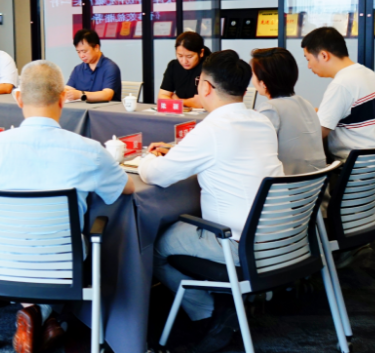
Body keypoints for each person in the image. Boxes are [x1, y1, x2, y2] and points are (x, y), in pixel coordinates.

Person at [0, 60, 134, 353]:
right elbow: (125, 188)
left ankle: (36, 313)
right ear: (63, 98)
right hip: (61, 265)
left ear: (18, 98)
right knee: (75, 239)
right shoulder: (88, 150)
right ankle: (44, 314)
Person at [140, 50, 284, 353]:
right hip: (281, 240)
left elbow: (156, 175)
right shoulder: (262, 122)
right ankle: (221, 303)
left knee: (151, 245)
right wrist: (178, 151)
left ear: (205, 87)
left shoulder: (212, 129)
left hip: (236, 245)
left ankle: (208, 311)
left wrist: (147, 159)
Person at [301, 26, 375, 162]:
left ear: (324, 55)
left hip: (360, 168)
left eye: (308, 59)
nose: (309, 66)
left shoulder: (341, 84)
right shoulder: (367, 73)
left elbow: (317, 133)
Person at [249, 47, 327, 175]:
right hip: (315, 184)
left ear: (263, 83)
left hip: (287, 184)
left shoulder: (271, 109)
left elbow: (255, 153)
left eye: (253, 74)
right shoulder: (306, 104)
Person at [64, 29, 122, 103]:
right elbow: (67, 90)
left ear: (96, 48)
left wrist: (81, 94)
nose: (81, 55)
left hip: (105, 109)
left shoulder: (110, 68)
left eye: (84, 51)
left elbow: (107, 95)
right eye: (78, 52)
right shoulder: (78, 69)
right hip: (82, 109)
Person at [158, 31, 211, 109]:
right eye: (180, 56)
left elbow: (199, 103)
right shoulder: (173, 66)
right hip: (180, 113)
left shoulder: (209, 67)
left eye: (189, 56)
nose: (184, 61)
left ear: (201, 52)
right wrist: (187, 102)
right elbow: (162, 97)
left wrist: (177, 100)